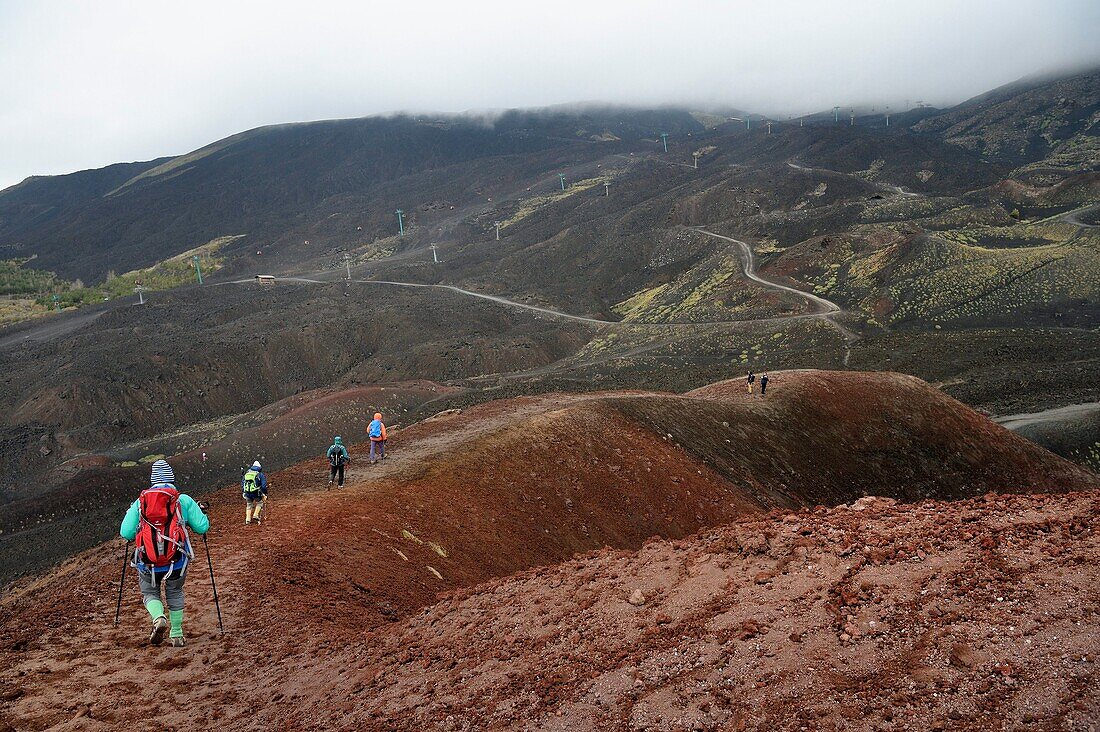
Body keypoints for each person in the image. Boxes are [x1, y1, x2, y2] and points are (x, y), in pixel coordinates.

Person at [119, 459, 209, 647]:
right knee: (175, 591)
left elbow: (125, 533)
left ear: (153, 481)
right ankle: (176, 634)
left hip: (147, 561)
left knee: (150, 592)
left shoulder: (140, 502)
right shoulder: (182, 500)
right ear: (172, 479)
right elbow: (202, 527)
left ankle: (158, 617)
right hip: (176, 559)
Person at [241, 460, 268, 525]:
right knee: (260, 502)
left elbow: (242, 484)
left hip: (247, 493)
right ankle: (255, 515)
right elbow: (264, 486)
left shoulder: (247, 473)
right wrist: (264, 493)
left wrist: (244, 491)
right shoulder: (260, 475)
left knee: (249, 505)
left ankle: (247, 520)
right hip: (256, 493)